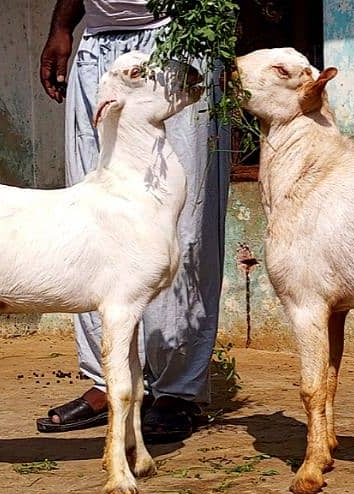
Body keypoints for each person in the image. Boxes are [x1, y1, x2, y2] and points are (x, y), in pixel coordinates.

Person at [34, 0, 230, 443]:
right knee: (94, 213)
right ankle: (110, 380)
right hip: (100, 45)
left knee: (182, 220)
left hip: (174, 40)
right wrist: (63, 26)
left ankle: (177, 390)